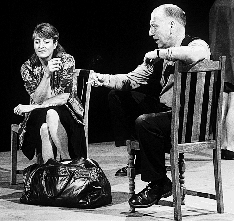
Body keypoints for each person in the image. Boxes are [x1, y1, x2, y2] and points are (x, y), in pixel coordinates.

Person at [91, 4, 210, 208]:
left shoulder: (196, 44)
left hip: (188, 122)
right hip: (166, 119)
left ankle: (157, 182)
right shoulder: (159, 55)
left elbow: (194, 54)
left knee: (146, 123)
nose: (150, 32)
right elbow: (129, 80)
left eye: (154, 26)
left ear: (172, 26)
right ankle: (146, 160)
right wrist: (101, 78)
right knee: (117, 96)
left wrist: (159, 54)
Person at [13, 23, 87, 163]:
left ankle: (60, 164)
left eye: (46, 42)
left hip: (67, 112)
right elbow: (37, 97)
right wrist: (46, 74)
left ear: (55, 43)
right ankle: (57, 169)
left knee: (50, 116)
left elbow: (64, 97)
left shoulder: (66, 60)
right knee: (44, 124)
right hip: (38, 115)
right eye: (37, 42)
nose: (41, 46)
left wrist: (32, 107)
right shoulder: (27, 67)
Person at [209, 0, 234, 160]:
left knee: (222, 102)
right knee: (232, 102)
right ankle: (230, 146)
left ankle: (220, 145)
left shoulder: (215, 5)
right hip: (231, 59)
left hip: (218, 58)